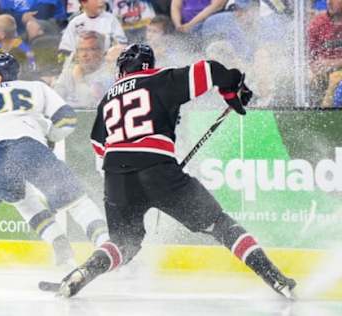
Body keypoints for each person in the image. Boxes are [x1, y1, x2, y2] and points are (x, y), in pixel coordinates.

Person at [52, 44, 297, 299]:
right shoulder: (160, 79)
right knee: (218, 223)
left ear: (123, 67)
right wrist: (231, 87)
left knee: (123, 244)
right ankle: (275, 278)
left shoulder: (108, 98)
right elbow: (210, 69)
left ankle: (84, 271)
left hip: (116, 176)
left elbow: (99, 146)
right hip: (157, 170)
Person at [0, 53, 109, 266]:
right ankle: (106, 245)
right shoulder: (36, 87)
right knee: (76, 201)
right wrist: (51, 138)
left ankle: (61, 251)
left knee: (24, 203)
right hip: (28, 148)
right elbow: (67, 120)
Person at [54, 31, 113, 108]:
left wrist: (79, 80)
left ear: (101, 52)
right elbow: (55, 99)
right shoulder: (70, 71)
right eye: (81, 50)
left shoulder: (107, 75)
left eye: (90, 49)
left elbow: (90, 105)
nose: (84, 55)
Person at [58, 0, 127, 57]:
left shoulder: (111, 20)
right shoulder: (75, 23)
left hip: (105, 65)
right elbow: (65, 50)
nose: (101, 1)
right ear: (84, 3)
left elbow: (122, 45)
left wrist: (116, 51)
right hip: (82, 66)